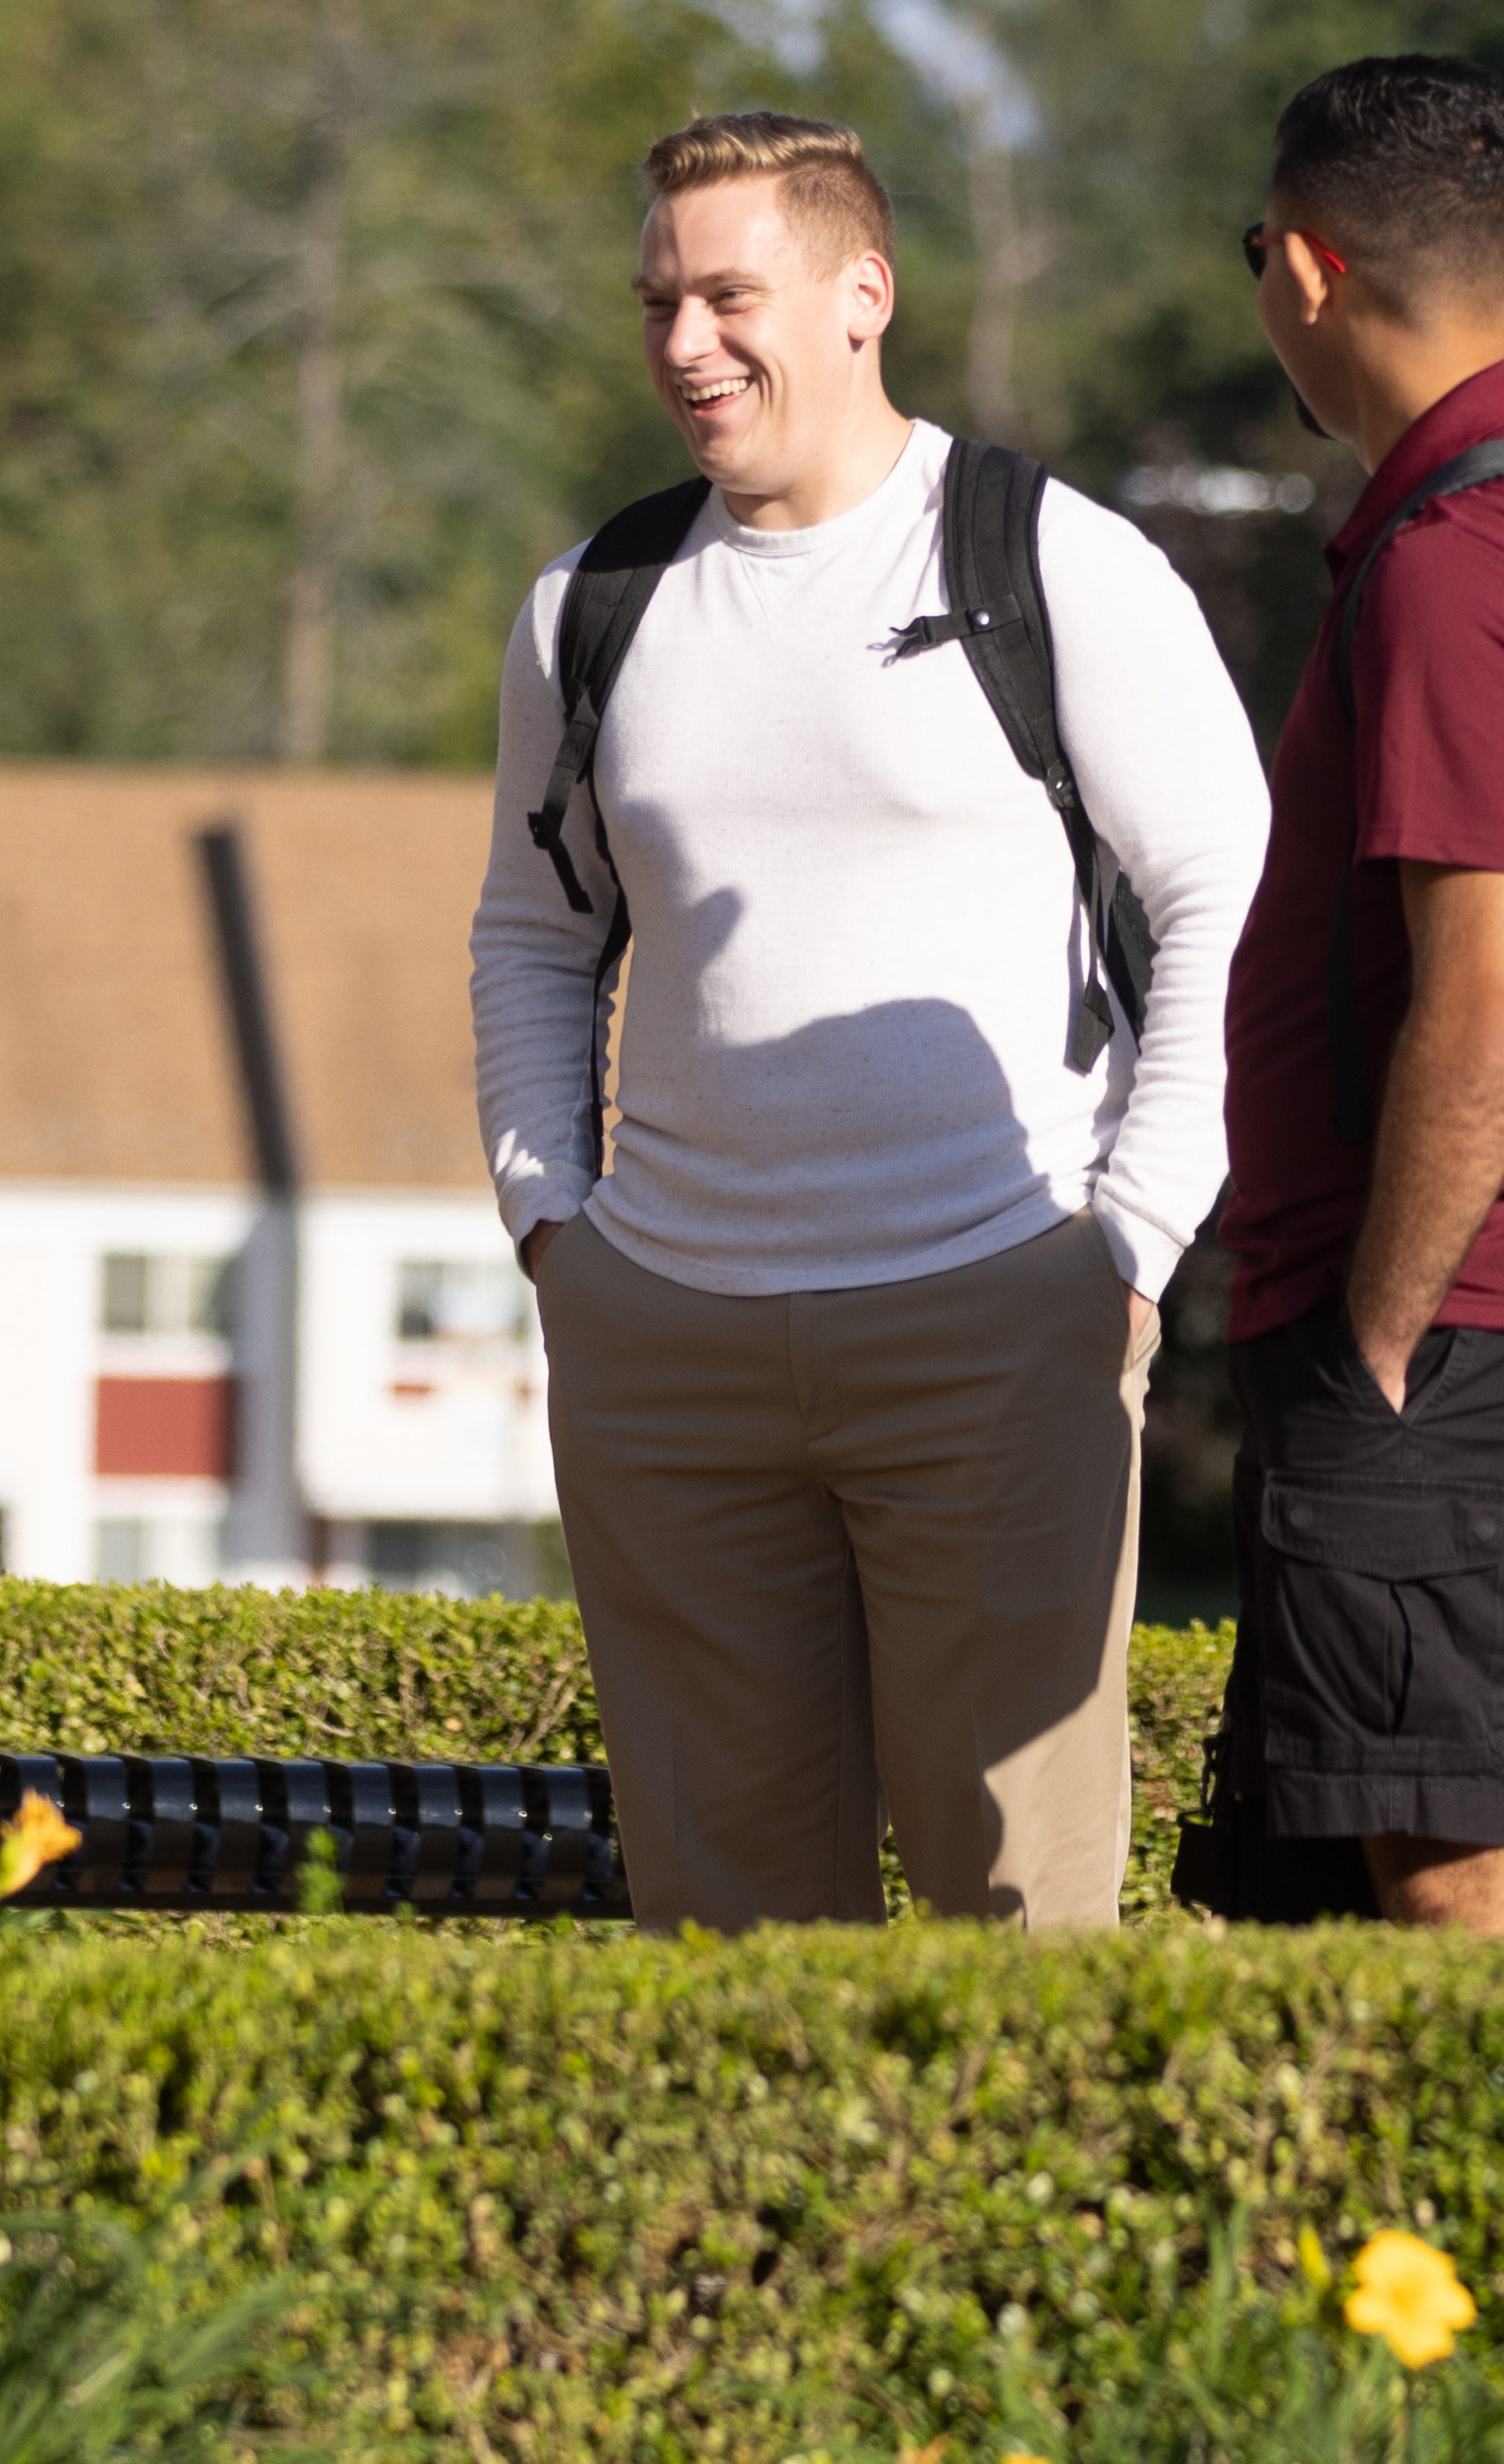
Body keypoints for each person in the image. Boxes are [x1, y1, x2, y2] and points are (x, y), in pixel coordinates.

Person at [466, 109, 1271, 1933]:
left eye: (728, 294)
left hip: (1001, 1312)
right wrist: (552, 1227)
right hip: (662, 1336)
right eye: (658, 298)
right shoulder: (589, 606)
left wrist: (1129, 1239)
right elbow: (532, 927)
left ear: (860, 296)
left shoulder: (1054, 559)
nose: (683, 341)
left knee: (1024, 1925)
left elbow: (1228, 891)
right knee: (721, 1940)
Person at [1204, 55, 1504, 1933]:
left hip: (1458, 1314)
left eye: (1257, 250)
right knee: (1387, 1848)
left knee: (1450, 1859)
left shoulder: (1459, 563)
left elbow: (1483, 1001)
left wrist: (1377, 1348)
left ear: (1307, 271)